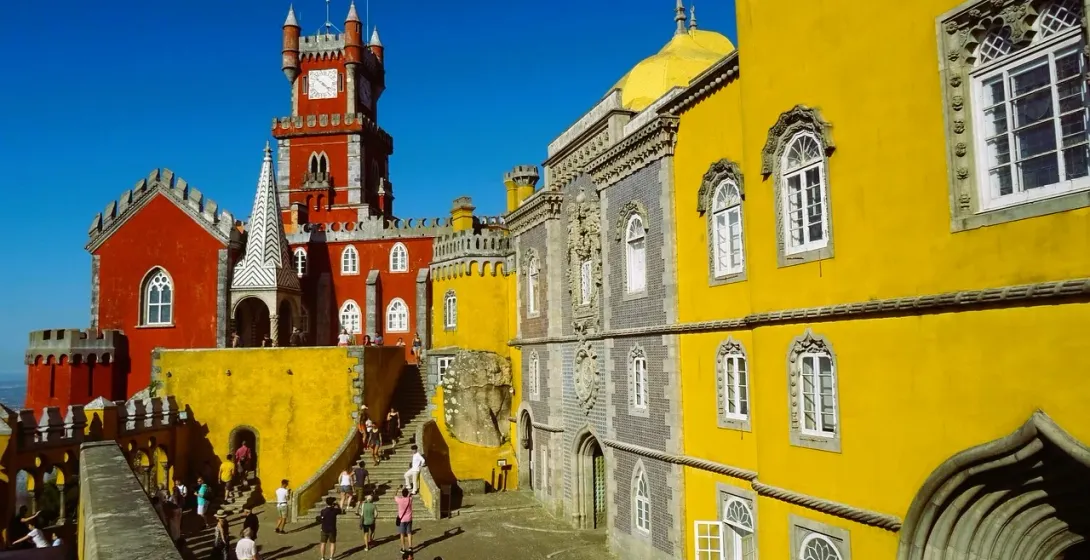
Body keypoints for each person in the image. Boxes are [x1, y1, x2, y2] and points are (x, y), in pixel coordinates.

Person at [394, 486, 414, 553]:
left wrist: (397, 489)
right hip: (409, 519)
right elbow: (410, 495)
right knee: (409, 533)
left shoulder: (399, 500)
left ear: (402, 494)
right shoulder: (410, 499)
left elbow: (394, 495)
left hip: (402, 520)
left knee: (402, 534)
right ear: (407, 493)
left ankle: (403, 548)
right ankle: (410, 547)